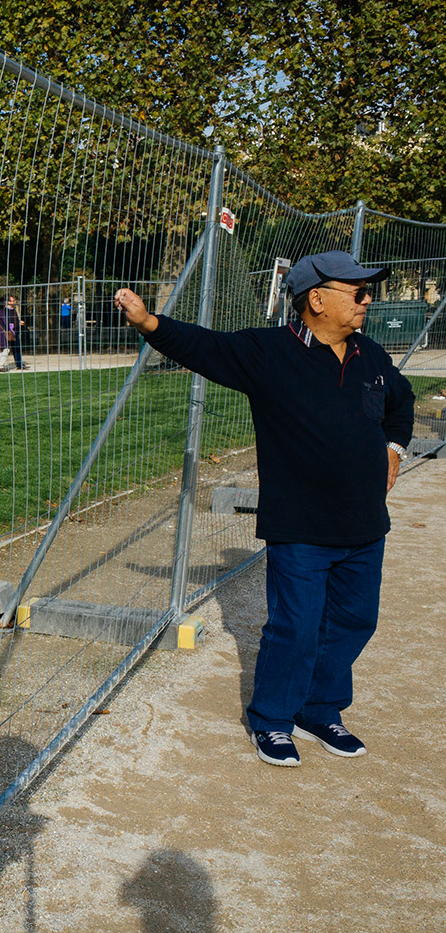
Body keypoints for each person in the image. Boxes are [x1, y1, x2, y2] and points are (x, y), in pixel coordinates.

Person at [114, 250, 414, 768]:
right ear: (317, 300)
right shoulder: (268, 352)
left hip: (365, 525)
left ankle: (319, 710)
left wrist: (394, 448)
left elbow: (401, 403)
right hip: (300, 527)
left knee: (355, 621)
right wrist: (148, 323)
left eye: (368, 292)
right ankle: (273, 719)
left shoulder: (370, 354)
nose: (368, 300)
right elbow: (205, 346)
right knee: (296, 627)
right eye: (358, 292)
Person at [0, 295, 26, 371]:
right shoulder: (3, 311)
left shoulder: (12, 310)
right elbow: (6, 322)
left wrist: (18, 323)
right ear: (7, 302)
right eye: (12, 301)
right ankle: (0, 365)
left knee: (16, 348)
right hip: (8, 333)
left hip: (14, 332)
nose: (14, 302)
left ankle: (18, 364)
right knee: (5, 349)